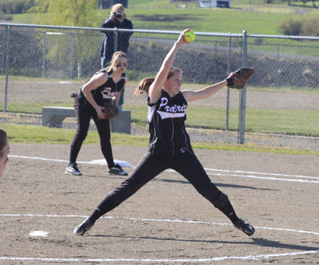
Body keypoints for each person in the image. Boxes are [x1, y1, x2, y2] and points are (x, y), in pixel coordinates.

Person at [74, 29, 255, 237]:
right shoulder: (156, 97)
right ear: (166, 81)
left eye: (181, 79)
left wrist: (228, 81)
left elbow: (205, 93)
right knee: (127, 188)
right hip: (157, 155)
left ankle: (237, 220)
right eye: (176, 79)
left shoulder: (183, 97)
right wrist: (177, 44)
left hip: (183, 154)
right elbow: (165, 67)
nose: (180, 82)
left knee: (208, 190)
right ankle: (91, 220)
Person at [65, 51, 129, 176]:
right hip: (84, 101)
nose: (122, 66)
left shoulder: (123, 80)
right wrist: (97, 108)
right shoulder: (104, 77)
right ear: (113, 64)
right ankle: (71, 165)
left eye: (125, 64)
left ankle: (111, 166)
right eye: (119, 63)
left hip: (101, 103)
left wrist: (115, 104)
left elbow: (117, 92)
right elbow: (85, 89)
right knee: (82, 132)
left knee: (105, 136)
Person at [100, 3, 133, 111]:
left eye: (120, 12)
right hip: (108, 55)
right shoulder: (109, 22)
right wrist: (111, 19)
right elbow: (102, 29)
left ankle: (118, 104)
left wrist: (121, 21)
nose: (118, 14)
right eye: (116, 12)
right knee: (104, 79)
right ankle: (103, 102)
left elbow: (129, 33)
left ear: (124, 13)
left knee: (120, 80)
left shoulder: (127, 23)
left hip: (121, 56)